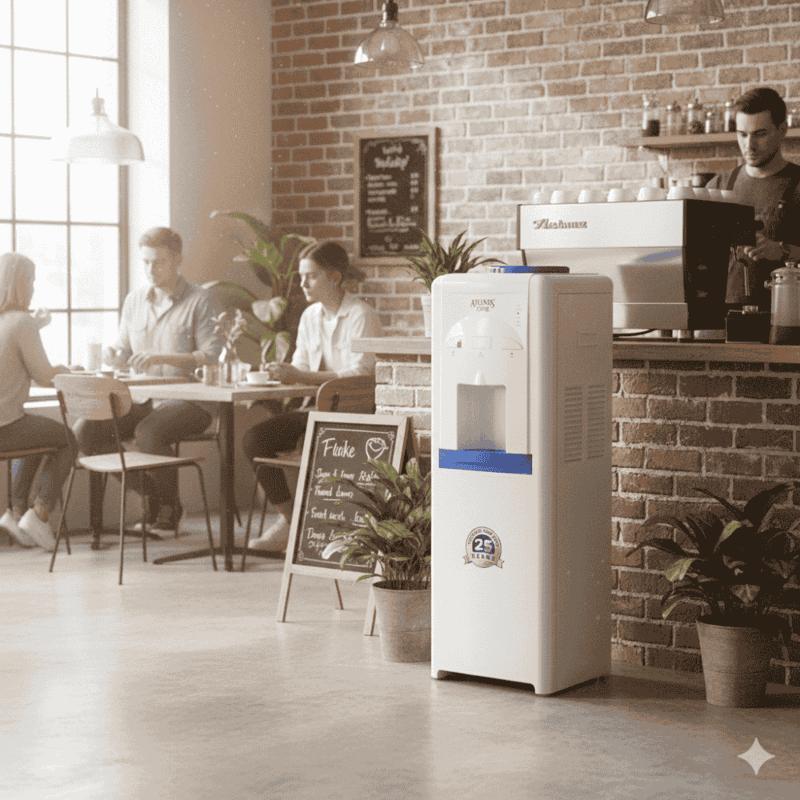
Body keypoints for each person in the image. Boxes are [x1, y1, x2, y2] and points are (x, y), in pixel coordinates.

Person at [74, 227, 222, 531]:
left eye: (158, 262)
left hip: (191, 401)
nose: (150, 270)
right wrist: (115, 354)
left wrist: (161, 357)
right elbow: (125, 349)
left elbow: (211, 354)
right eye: (145, 262)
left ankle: (169, 509)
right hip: (141, 398)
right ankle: (152, 494)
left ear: (178, 260)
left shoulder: (201, 300)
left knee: (148, 432)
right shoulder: (135, 300)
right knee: (87, 430)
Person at [242, 241, 383, 551]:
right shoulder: (310, 316)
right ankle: (291, 522)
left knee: (277, 439)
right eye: (301, 277)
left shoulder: (361, 316)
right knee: (254, 440)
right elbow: (302, 367)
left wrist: (300, 375)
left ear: (334, 277)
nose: (302, 283)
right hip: (318, 409)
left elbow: (360, 376)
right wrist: (280, 372)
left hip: (354, 414)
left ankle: (320, 527)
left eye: (311, 277)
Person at [0, 252, 75, 551]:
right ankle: (39, 514)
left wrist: (35, 325)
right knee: (68, 440)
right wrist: (65, 370)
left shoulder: (8, 321)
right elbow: (44, 376)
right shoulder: (23, 322)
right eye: (30, 281)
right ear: (20, 284)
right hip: (5, 428)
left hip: (7, 425)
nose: (33, 288)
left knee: (35, 432)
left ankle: (16, 514)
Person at [707, 87, 800, 310]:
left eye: (760, 134)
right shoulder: (718, 186)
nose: (749, 145)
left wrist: (783, 250)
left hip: (785, 319)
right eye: (742, 134)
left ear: (782, 130)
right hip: (719, 317)